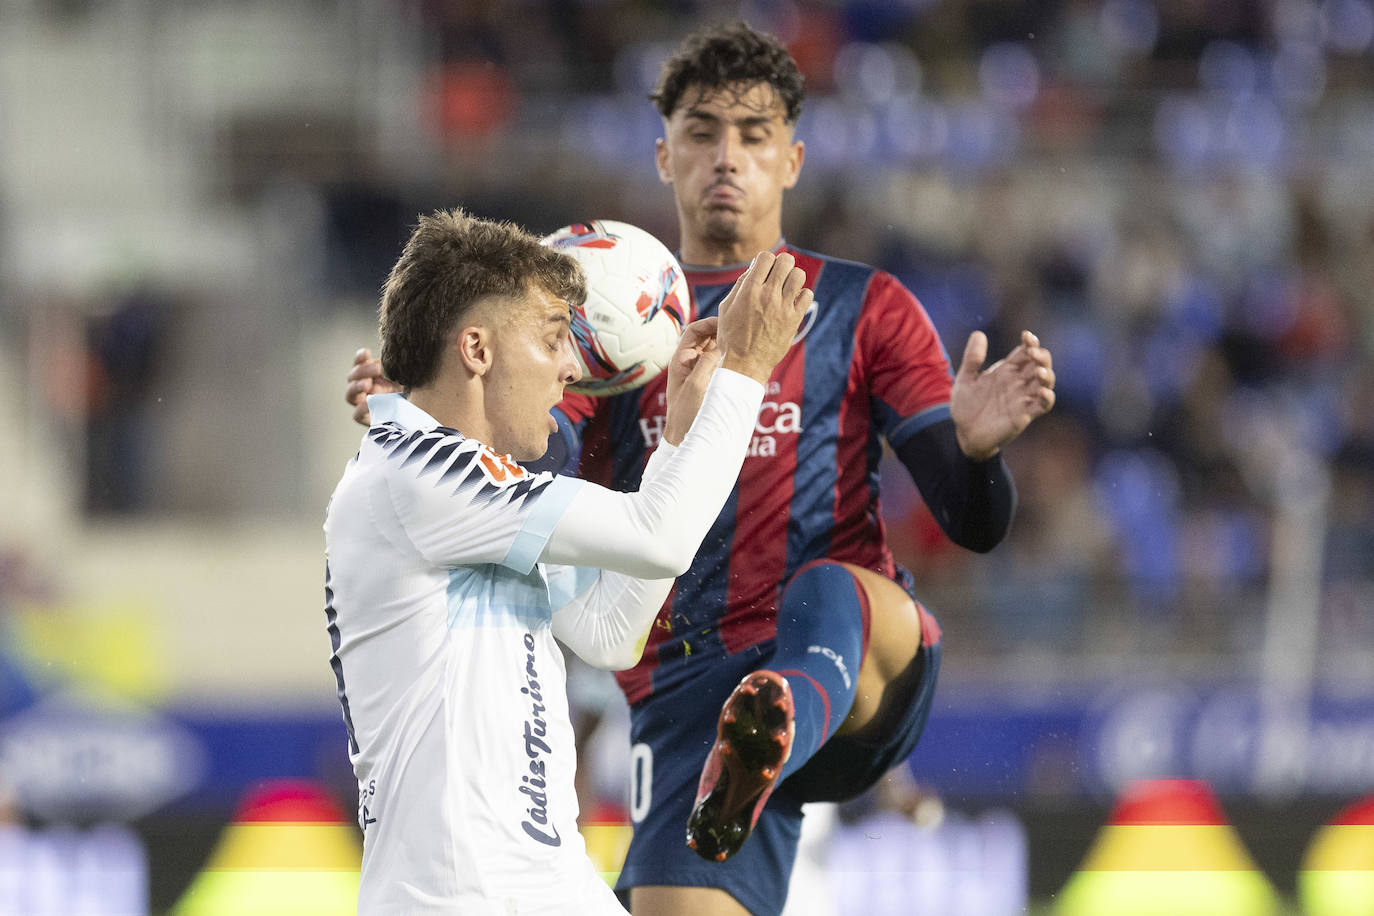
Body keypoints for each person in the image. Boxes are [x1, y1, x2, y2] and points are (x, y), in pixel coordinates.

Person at [345, 22, 1056, 916]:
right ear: (662, 153)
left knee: (831, 589)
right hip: (686, 691)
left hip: (851, 667)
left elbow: (973, 524)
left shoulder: (863, 307)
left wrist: (980, 455)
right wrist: (439, 407)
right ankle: (747, 752)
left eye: (754, 136)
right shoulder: (596, 329)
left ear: (793, 158)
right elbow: (536, 455)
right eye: (703, 132)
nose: (728, 157)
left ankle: (778, 716)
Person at [324, 208, 812, 914]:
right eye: (553, 339)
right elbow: (661, 537)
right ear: (477, 350)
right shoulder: (419, 475)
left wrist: (676, 438)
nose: (569, 368)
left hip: (545, 884)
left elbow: (610, 631)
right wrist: (747, 372)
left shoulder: (469, 497)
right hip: (465, 898)